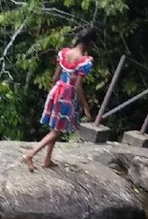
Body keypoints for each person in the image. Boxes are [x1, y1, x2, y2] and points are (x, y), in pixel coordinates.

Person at [22, 27, 97, 172]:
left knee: (55, 128)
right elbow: (77, 87)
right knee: (56, 131)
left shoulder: (64, 53)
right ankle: (30, 154)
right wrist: (86, 108)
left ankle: (47, 159)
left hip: (57, 90)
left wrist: (55, 90)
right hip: (68, 96)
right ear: (90, 44)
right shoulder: (84, 61)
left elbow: (55, 77)